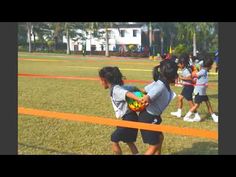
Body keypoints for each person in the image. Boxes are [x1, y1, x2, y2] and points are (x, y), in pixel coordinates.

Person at [98, 66, 143, 155]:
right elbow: (132, 88)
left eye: (100, 80)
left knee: (114, 138)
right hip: (131, 117)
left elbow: (127, 93)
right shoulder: (119, 87)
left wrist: (139, 99)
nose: (100, 83)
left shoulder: (116, 89)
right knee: (129, 141)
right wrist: (143, 92)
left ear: (105, 80)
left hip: (129, 118)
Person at [138, 60, 178, 155]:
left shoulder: (161, 82)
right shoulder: (160, 85)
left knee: (160, 138)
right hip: (148, 117)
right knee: (154, 145)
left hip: (153, 116)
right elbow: (146, 98)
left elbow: (144, 90)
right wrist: (142, 99)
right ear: (172, 74)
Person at [183, 55, 218, 122]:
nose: (212, 66)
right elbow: (193, 75)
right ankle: (186, 117)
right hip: (199, 92)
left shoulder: (204, 70)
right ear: (209, 66)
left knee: (208, 103)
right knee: (196, 105)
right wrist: (193, 75)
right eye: (212, 65)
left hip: (203, 92)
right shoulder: (203, 71)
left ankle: (214, 117)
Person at [171, 54, 195, 121]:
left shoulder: (186, 70)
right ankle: (179, 112)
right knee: (180, 98)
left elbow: (190, 78)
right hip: (187, 86)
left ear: (183, 64)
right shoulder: (184, 69)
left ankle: (196, 115)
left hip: (189, 87)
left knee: (190, 102)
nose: (178, 65)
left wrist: (181, 78)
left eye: (179, 64)